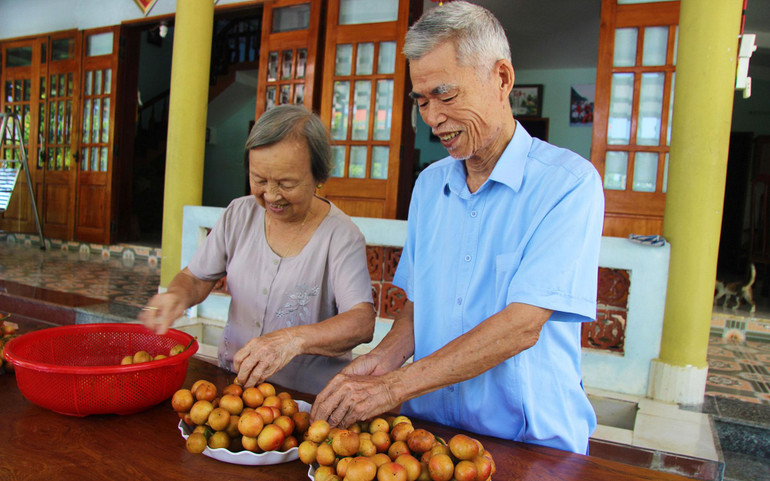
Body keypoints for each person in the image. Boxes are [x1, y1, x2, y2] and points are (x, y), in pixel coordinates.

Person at [311, 1, 604, 454]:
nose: (432, 118)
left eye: (446, 96)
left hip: (527, 444)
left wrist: (392, 389)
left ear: (502, 78)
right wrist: (380, 362)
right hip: (431, 436)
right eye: (422, 101)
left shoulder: (568, 185)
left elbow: (522, 326)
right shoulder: (429, 187)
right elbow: (417, 308)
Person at [140, 105, 375, 395]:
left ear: (318, 175)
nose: (272, 195)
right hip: (234, 390)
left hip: (303, 404)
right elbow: (196, 278)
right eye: (260, 180)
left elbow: (361, 322)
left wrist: (292, 340)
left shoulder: (341, 236)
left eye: (286, 183)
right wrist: (176, 295)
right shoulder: (239, 214)